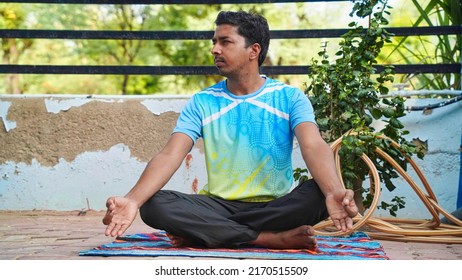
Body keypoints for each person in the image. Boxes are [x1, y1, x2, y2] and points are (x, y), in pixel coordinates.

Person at [103, 10, 358, 249]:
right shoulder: (203, 101)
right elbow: (170, 154)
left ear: (253, 50)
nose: (215, 49)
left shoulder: (290, 97)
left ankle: (211, 233)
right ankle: (265, 239)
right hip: (217, 207)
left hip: (274, 207)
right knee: (154, 205)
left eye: (225, 42)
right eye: (214, 42)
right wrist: (133, 200)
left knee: (317, 194)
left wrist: (333, 190)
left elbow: (312, 145)